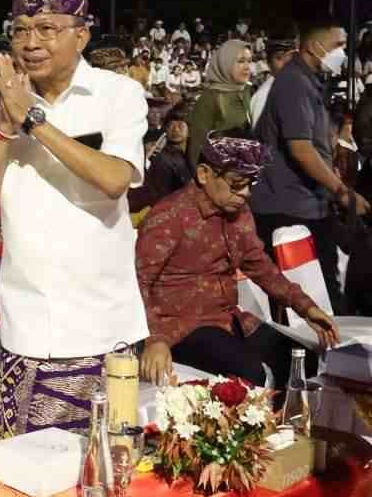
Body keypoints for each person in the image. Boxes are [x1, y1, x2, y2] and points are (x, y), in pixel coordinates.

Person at [0, 0, 149, 440]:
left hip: (107, 324)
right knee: (22, 478)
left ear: (81, 35)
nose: (30, 42)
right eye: (20, 30)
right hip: (32, 322)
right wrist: (6, 126)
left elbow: (114, 179)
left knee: (110, 465)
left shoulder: (117, 94)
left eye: (47, 28)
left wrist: (34, 121)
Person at [136, 137, 339, 389]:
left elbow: (261, 267)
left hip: (229, 319)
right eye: (237, 184)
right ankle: (261, 425)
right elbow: (138, 283)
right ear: (203, 174)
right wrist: (155, 339)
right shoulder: (169, 217)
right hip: (181, 327)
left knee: (301, 361)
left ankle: (285, 425)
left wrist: (306, 308)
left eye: (249, 185)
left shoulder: (239, 213)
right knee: (250, 374)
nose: (245, 193)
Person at [250, 17, 370, 314]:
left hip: (307, 205)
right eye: (338, 45)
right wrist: (342, 191)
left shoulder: (309, 82)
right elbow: (301, 149)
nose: (343, 52)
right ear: (314, 46)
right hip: (289, 210)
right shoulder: (293, 83)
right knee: (312, 300)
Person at [185, 39, 253, 168]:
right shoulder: (210, 97)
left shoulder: (250, 91)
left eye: (249, 61)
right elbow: (196, 148)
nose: (247, 67)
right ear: (225, 63)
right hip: (220, 176)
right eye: (240, 61)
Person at [128, 105, 192, 212]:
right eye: (171, 125)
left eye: (180, 125)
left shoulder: (192, 154)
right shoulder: (161, 156)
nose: (175, 129)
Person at [250, 37, 298, 125]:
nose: (286, 62)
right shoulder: (264, 97)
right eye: (279, 58)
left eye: (290, 57)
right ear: (269, 63)